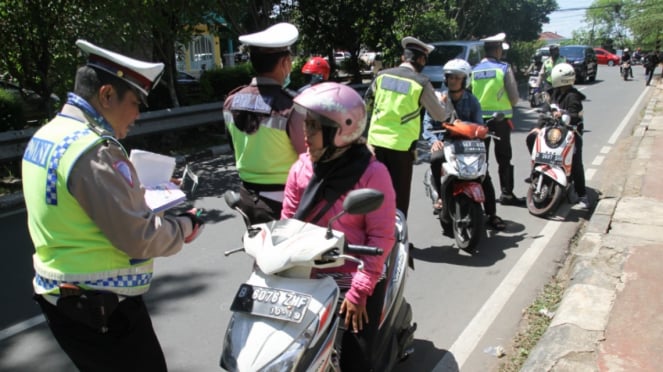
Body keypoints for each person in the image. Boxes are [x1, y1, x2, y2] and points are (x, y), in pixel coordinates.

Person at [22, 40, 205, 372]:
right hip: (102, 312)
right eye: (135, 102)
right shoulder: (95, 151)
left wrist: (139, 193)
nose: (137, 115)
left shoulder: (47, 135)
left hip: (63, 300)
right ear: (106, 95)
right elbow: (139, 237)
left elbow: (76, 207)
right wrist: (186, 225)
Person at [281, 82, 397, 371]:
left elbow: (381, 235)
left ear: (341, 129)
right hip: (308, 271)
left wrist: (358, 291)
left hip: (356, 272)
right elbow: (287, 222)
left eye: (313, 126)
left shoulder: (372, 173)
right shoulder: (301, 168)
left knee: (355, 360)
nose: (305, 133)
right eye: (304, 124)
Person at [223, 23, 306, 223]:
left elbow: (234, 147)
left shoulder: (231, 102)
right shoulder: (291, 107)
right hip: (284, 201)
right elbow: (308, 161)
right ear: (285, 63)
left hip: (247, 197)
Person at [365, 36, 451, 217]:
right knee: (399, 198)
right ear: (421, 59)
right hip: (401, 149)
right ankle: (398, 240)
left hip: (374, 147)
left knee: (376, 195)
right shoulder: (421, 82)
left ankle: (376, 239)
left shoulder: (381, 76)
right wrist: (444, 102)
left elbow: (366, 105)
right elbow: (440, 115)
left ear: (404, 57)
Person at [422, 59, 505, 233]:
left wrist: (481, 132)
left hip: (468, 144)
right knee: (436, 159)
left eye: (457, 78)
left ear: (464, 80)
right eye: (450, 77)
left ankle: (492, 214)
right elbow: (427, 125)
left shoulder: (472, 100)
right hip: (445, 143)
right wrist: (433, 140)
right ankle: (440, 197)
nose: (452, 81)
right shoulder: (438, 99)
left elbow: (479, 124)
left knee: (484, 173)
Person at [470, 33, 525, 206]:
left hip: (479, 123)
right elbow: (514, 97)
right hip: (500, 122)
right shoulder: (503, 68)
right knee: (504, 158)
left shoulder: (474, 69)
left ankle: (481, 193)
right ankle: (507, 194)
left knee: (481, 159)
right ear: (497, 49)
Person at [526, 63, 589, 209]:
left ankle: (582, 195)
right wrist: (538, 126)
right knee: (532, 138)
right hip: (552, 131)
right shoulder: (553, 93)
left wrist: (565, 115)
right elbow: (545, 110)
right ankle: (536, 173)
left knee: (575, 162)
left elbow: (575, 116)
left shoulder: (573, 97)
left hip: (571, 133)